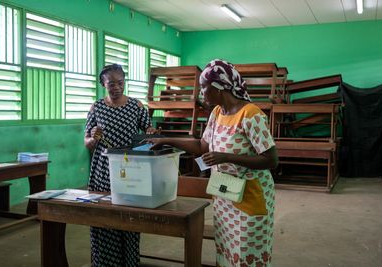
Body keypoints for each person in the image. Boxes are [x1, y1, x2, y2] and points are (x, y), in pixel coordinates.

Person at [148, 59, 278, 266]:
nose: (200, 93)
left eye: (203, 88)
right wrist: (166, 140)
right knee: (226, 250)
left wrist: (226, 157)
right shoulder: (217, 113)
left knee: (247, 253)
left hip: (250, 196)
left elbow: (271, 160)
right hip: (225, 196)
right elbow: (202, 147)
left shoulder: (251, 115)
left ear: (219, 87)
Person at [84, 64, 157, 266]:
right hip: (103, 169)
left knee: (129, 214)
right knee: (103, 215)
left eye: (120, 83)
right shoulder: (96, 107)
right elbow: (87, 143)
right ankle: (105, 262)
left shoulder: (136, 106)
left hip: (130, 168)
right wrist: (94, 137)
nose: (116, 87)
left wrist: (151, 131)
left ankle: (129, 261)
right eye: (111, 84)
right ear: (103, 85)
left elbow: (149, 130)